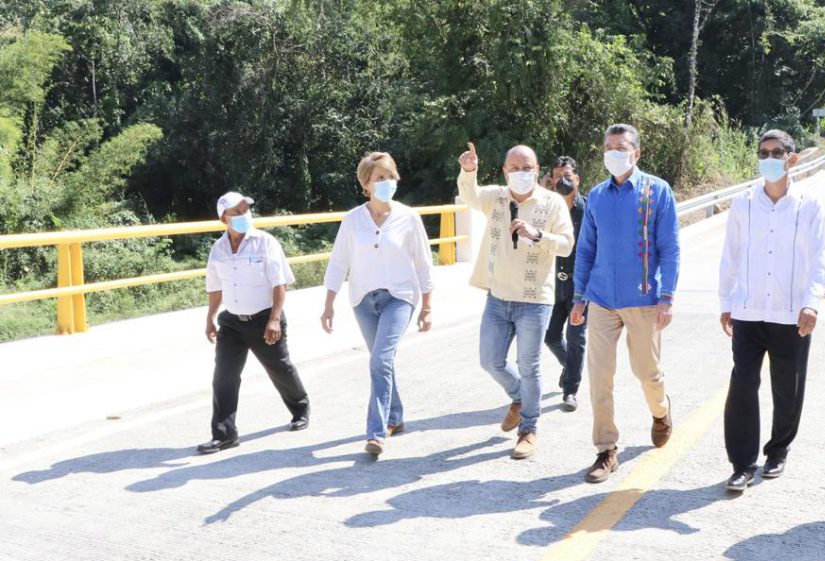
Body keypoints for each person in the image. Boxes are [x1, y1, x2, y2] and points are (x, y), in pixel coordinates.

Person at [718, 129, 825, 493]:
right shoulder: (743, 204)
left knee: (787, 389)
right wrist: (726, 302)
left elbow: (820, 258)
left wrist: (812, 302)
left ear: (791, 159)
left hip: (791, 313)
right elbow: (731, 254)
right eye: (763, 152)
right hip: (748, 310)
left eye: (776, 152)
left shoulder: (809, 206)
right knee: (742, 385)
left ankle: (778, 451)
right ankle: (742, 464)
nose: (768, 158)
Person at [571, 123, 680, 484]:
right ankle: (606, 449)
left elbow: (670, 248)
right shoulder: (597, 196)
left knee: (647, 372)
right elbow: (586, 249)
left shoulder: (657, 191)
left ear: (636, 153)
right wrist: (579, 296)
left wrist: (666, 296)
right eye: (608, 147)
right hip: (602, 299)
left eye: (620, 147)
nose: (612, 153)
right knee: (600, 376)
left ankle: (661, 411)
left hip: (644, 299)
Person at [457, 142, 574, 459]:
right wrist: (469, 170)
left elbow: (566, 244)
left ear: (537, 171)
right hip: (498, 296)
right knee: (490, 360)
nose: (521, 173)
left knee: (529, 366)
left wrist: (537, 234)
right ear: (505, 171)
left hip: (534, 300)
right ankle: (520, 396)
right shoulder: (496, 197)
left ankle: (528, 429)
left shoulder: (552, 202)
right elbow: (470, 195)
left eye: (527, 168)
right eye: (514, 168)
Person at [321, 152, 433, 455]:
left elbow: (423, 264)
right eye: (379, 178)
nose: (387, 182)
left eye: (390, 176)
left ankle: (376, 432)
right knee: (382, 361)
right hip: (363, 301)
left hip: (399, 298)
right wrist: (329, 303)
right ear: (366, 185)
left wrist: (427, 306)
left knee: (380, 360)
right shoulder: (352, 220)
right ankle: (395, 416)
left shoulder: (409, 218)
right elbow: (338, 262)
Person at [199, 192, 310, 454]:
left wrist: (274, 319)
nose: (243, 215)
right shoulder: (218, 249)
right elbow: (215, 287)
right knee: (224, 376)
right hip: (231, 323)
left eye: (245, 210)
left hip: (264, 318)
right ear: (223, 219)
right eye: (236, 212)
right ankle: (224, 434)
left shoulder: (265, 242)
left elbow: (279, 283)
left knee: (280, 368)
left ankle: (301, 407)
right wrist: (210, 318)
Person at [544, 156, 588, 412]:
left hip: (579, 285)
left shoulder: (588, 210)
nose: (563, 181)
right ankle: (569, 366)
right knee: (550, 336)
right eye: (558, 177)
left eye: (568, 176)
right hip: (553, 284)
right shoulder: (547, 210)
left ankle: (570, 390)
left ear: (577, 179)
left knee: (575, 337)